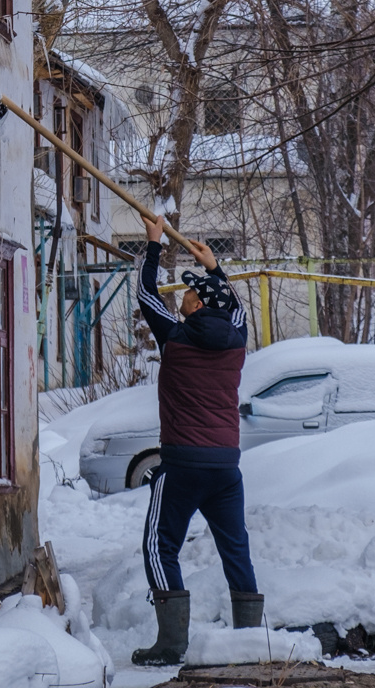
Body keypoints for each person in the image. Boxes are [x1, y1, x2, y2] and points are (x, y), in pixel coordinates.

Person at [131, 213, 264, 667]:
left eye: (188, 292)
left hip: (183, 465)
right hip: (226, 467)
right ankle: (249, 640)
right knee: (236, 546)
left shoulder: (175, 339)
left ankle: (170, 644)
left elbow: (146, 293)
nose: (182, 295)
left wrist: (153, 244)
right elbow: (238, 309)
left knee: (158, 544)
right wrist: (214, 269)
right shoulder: (237, 341)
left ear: (198, 305)